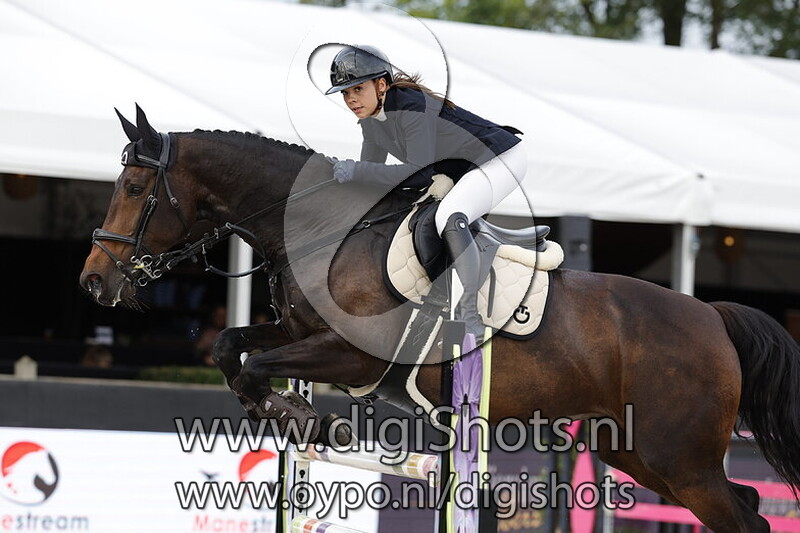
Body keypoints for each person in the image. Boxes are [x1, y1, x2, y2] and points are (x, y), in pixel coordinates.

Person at [325, 45, 528, 343]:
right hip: (465, 169)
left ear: (381, 85)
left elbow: (417, 173)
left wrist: (356, 171)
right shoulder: (371, 120)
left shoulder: (410, 107)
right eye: (345, 93)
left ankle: (469, 314)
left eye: (358, 89)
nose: (351, 99)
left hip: (500, 159)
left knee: (449, 215)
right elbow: (371, 181)